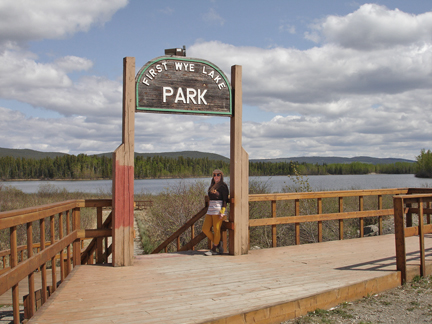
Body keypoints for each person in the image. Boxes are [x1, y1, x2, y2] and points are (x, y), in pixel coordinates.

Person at [202, 169, 229, 255]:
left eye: (218, 175)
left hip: (218, 210)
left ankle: (214, 249)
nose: (216, 176)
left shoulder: (223, 186)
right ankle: (218, 243)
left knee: (216, 229)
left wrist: (222, 212)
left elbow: (225, 200)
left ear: (221, 176)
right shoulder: (212, 185)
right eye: (214, 175)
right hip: (210, 210)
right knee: (205, 229)